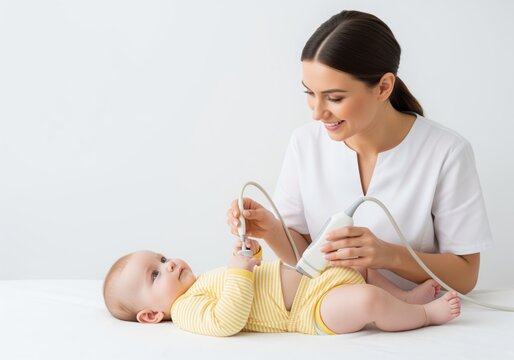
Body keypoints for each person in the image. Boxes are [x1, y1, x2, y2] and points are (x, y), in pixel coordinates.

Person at [227, 10, 493, 293]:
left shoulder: (446, 152)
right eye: (309, 93)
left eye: (335, 97)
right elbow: (307, 260)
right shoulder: (304, 144)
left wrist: (388, 255)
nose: (317, 112)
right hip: (333, 319)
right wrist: (270, 229)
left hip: (422, 323)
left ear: (383, 87)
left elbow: (465, 276)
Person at [103, 238, 460, 336]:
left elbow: (251, 280)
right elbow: (227, 319)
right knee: (366, 300)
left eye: (163, 258)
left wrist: (250, 255)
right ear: (151, 314)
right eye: (156, 274)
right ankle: (423, 314)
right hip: (309, 312)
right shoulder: (184, 311)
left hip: (313, 282)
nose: (170, 265)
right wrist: (240, 272)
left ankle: (402, 296)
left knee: (351, 262)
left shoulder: (203, 281)